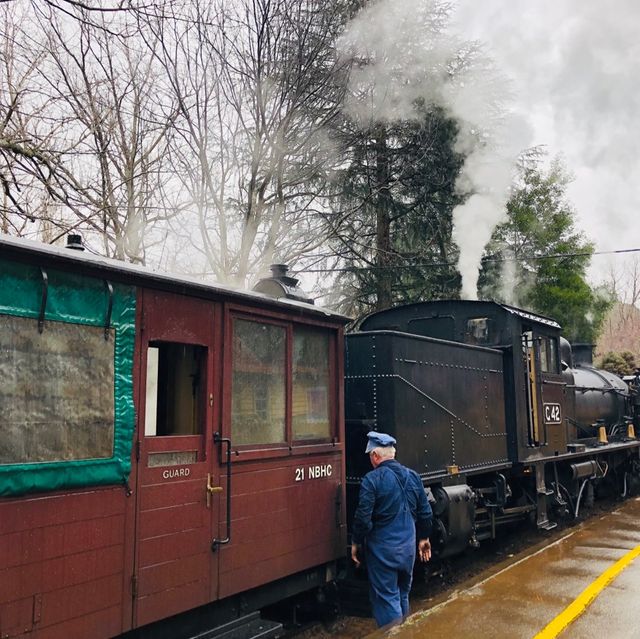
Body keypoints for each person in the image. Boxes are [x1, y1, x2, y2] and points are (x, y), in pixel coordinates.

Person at [351, 431, 433, 628]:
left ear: (375, 456)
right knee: (402, 594)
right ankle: (405, 630)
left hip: (384, 550)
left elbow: (363, 518)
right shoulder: (413, 476)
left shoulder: (372, 480)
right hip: (408, 549)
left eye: (370, 456)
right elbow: (426, 512)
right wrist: (424, 539)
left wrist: (355, 542)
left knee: (386, 598)